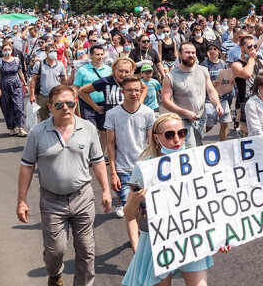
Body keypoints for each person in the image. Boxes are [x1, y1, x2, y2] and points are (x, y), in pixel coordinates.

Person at [17, 85, 112, 286]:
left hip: (82, 198)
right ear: (50, 107)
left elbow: (97, 161)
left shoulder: (88, 129)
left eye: (70, 103)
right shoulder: (37, 132)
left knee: (86, 250)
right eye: (59, 104)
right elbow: (26, 166)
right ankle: (55, 275)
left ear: (75, 104)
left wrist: (105, 190)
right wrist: (22, 201)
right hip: (52, 201)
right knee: (55, 251)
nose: (65, 108)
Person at [121, 113, 230, 286]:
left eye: (182, 133)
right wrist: (135, 200)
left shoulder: (196, 161)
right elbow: (129, 215)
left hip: (192, 236)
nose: (177, 139)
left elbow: (210, 202)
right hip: (158, 241)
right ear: (157, 138)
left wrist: (221, 235)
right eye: (170, 135)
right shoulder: (145, 168)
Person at [105, 75, 155, 251]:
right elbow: (110, 144)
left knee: (145, 209)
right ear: (122, 91)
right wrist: (113, 172)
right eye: (129, 90)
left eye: (137, 90)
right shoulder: (112, 114)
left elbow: (151, 143)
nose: (134, 93)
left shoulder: (148, 113)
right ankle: (137, 251)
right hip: (124, 170)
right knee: (130, 210)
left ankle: (140, 239)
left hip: (144, 168)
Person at [162, 42, 223, 146]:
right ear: (179, 54)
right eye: (187, 52)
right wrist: (184, 112)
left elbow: (211, 90)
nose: (191, 55)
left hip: (201, 118)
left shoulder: (203, 71)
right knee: (191, 148)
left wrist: (217, 104)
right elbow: (165, 101)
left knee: (198, 146)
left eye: (193, 52)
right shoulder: (170, 76)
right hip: (183, 120)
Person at [73, 45, 112, 153]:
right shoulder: (82, 70)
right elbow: (76, 86)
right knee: (90, 130)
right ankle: (88, 153)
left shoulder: (109, 70)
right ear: (91, 55)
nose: (100, 57)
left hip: (105, 104)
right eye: (97, 54)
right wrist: (72, 101)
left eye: (101, 54)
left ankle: (99, 154)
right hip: (87, 104)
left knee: (103, 131)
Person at [232, 36, 263, 136]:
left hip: (262, 102)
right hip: (245, 103)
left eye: (254, 46)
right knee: (247, 135)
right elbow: (247, 74)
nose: (252, 48)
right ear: (242, 48)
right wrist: (251, 58)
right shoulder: (237, 64)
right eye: (249, 46)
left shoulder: (261, 61)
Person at [0, 42, 29, 136]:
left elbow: (21, 72)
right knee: (7, 107)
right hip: (4, 86)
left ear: (11, 49)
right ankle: (11, 127)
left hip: (17, 85)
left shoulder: (16, 60)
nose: (7, 51)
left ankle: (21, 128)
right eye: (5, 49)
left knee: (18, 106)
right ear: (2, 50)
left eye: (8, 49)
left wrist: (25, 84)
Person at [201, 40, 233, 141]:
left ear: (219, 51)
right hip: (208, 100)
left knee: (224, 124)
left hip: (222, 98)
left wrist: (230, 83)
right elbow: (199, 82)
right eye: (210, 49)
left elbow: (227, 78)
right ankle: (197, 139)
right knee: (209, 125)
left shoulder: (223, 64)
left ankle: (223, 145)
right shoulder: (204, 65)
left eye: (215, 49)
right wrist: (210, 84)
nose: (212, 51)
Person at [30, 43, 67, 122]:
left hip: (56, 95)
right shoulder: (39, 65)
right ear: (46, 52)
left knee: (58, 116)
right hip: (43, 95)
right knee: (44, 118)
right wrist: (32, 95)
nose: (53, 53)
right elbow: (33, 80)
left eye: (55, 51)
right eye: (50, 51)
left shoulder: (60, 65)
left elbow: (64, 81)